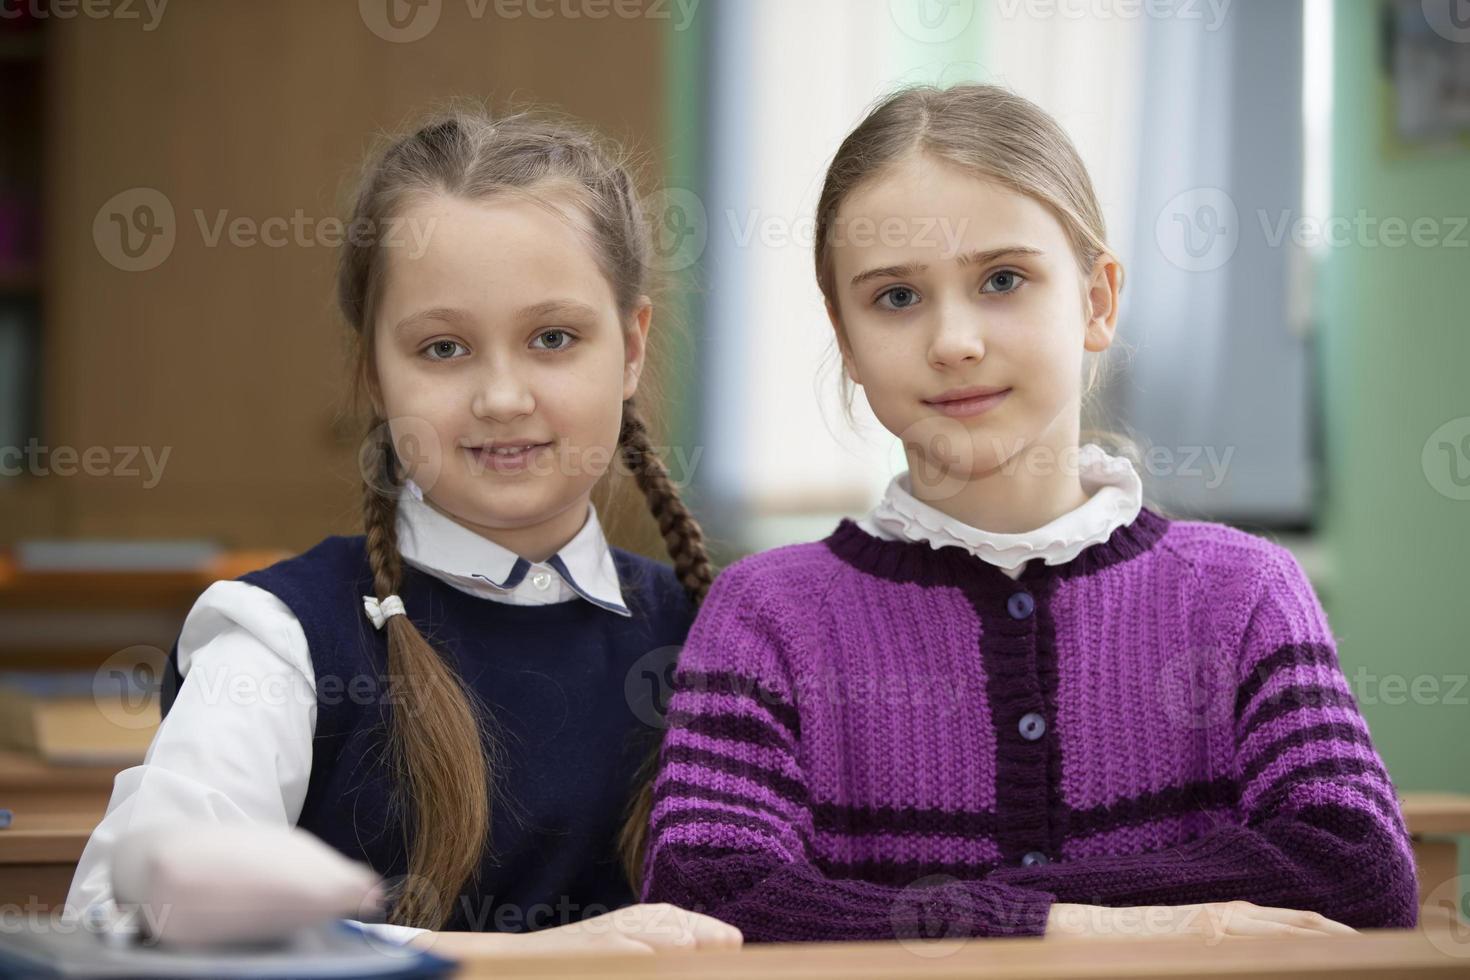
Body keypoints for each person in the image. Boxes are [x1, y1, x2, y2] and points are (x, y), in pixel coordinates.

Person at [633, 83, 1417, 943]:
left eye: (1003, 279)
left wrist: (942, 915)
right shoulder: (766, 615)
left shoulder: (1244, 592)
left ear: (1097, 300)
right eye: (896, 297)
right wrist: (1095, 927)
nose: (954, 340)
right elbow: (709, 901)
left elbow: (1356, 873)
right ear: (846, 340)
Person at [67, 105, 741, 957]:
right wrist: (523, 957)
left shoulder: (721, 634)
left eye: (553, 337)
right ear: (373, 371)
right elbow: (111, 926)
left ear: (632, 347)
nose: (502, 396)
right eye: (443, 349)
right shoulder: (279, 636)